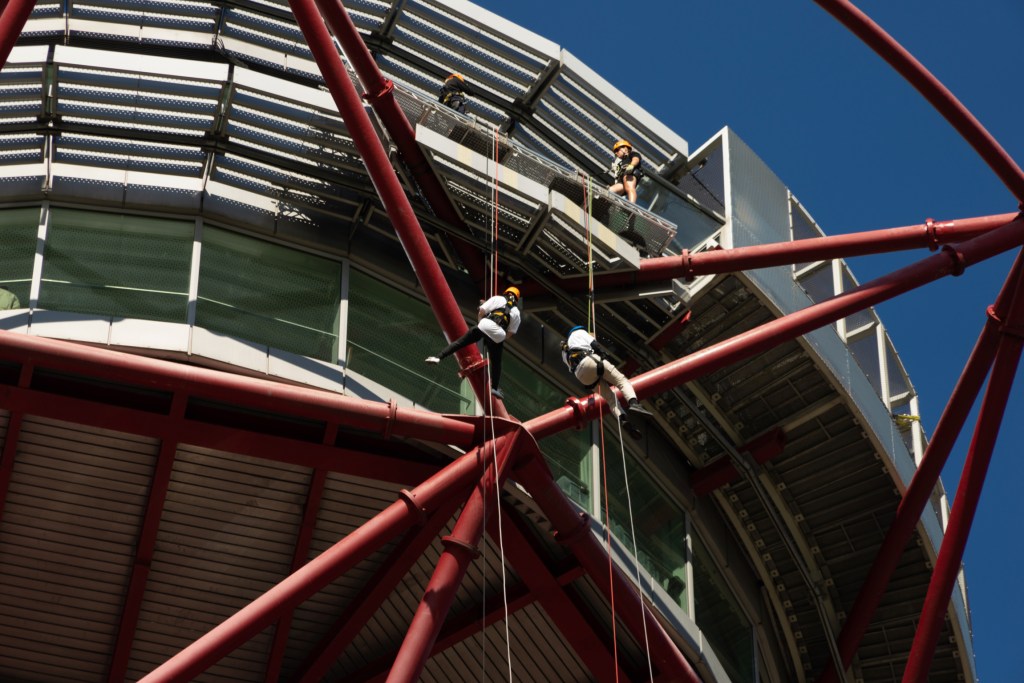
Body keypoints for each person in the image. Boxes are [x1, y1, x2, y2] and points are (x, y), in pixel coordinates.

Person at [425, 286, 521, 400]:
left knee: (459, 343)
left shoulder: (497, 299)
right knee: (496, 364)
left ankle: (438, 357)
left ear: (506, 293)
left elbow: (482, 311)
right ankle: (494, 388)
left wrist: (480, 323)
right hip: (499, 335)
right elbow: (511, 332)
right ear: (516, 299)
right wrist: (498, 339)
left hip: (484, 325)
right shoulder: (516, 312)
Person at [561, 325, 651, 440]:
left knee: (610, 399)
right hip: (589, 360)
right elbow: (594, 345)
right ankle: (634, 403)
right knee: (621, 381)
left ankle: (622, 419)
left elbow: (571, 369)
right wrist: (603, 354)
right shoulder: (578, 332)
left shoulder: (564, 353)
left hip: (581, 375)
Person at [608, 139, 644, 203]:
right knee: (611, 190)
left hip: (630, 173)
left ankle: (631, 206)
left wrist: (631, 165)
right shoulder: (621, 162)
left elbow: (636, 159)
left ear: (624, 148)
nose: (616, 153)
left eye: (617, 150)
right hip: (622, 180)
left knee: (629, 188)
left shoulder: (632, 154)